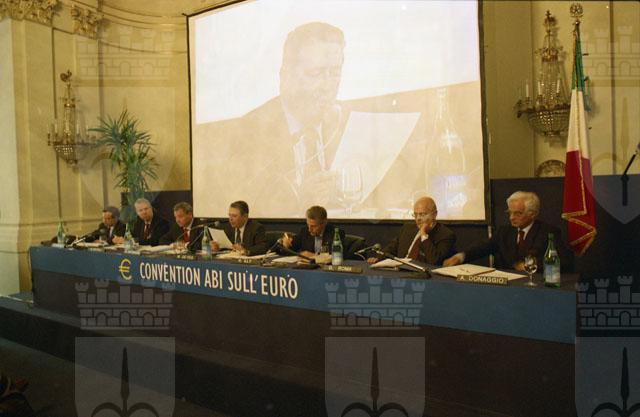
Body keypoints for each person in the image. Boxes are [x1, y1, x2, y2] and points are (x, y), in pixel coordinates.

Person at [194, 22, 473, 218]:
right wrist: (299, 200)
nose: (328, 85)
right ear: (285, 76)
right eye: (316, 73)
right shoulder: (249, 132)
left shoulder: (349, 121)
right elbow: (240, 206)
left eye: (334, 73)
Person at [443, 191, 569, 271]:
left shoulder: (548, 232)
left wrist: (530, 265)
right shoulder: (504, 232)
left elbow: (563, 261)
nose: (511, 217)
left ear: (533, 214)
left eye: (518, 213)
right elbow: (482, 247)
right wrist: (461, 256)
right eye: (510, 212)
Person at [367, 197, 455, 265]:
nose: (418, 218)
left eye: (422, 214)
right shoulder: (407, 228)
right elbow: (392, 248)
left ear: (434, 214)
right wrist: (378, 258)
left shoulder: (446, 235)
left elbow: (435, 261)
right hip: (399, 270)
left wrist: (423, 235)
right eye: (415, 215)